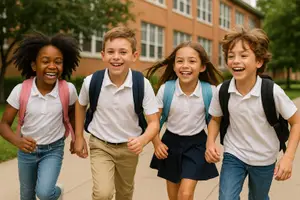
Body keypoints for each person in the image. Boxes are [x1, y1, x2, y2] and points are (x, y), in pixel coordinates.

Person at [205, 28, 300, 200]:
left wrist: (288, 158)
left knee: (258, 197)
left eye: (243, 55)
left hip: (264, 158)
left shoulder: (272, 92)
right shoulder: (223, 90)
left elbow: (296, 123)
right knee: (226, 198)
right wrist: (210, 142)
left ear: (259, 61)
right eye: (231, 55)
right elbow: (215, 120)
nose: (235, 61)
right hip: (234, 154)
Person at [74, 26, 160, 200]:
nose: (116, 57)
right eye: (111, 51)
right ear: (103, 54)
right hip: (100, 145)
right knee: (102, 194)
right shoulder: (92, 81)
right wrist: (78, 136)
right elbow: (80, 105)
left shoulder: (142, 85)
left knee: (124, 194)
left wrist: (142, 141)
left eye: (123, 52)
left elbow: (154, 122)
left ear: (134, 56)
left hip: (129, 148)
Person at [0, 32, 80, 200]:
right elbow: (4, 124)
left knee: (44, 193)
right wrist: (18, 141)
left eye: (58, 62)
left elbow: (73, 112)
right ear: (34, 65)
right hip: (27, 151)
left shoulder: (68, 90)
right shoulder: (21, 90)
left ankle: (55, 191)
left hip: (53, 149)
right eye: (45, 61)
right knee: (27, 196)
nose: (52, 66)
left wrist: (76, 137)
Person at [147, 41, 223, 200]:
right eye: (180, 61)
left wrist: (211, 143)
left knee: (185, 194)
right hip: (170, 144)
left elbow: (214, 120)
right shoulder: (166, 89)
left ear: (202, 67)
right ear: (174, 66)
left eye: (192, 61)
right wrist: (156, 143)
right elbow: (154, 120)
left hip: (196, 144)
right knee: (174, 197)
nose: (185, 65)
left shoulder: (210, 91)